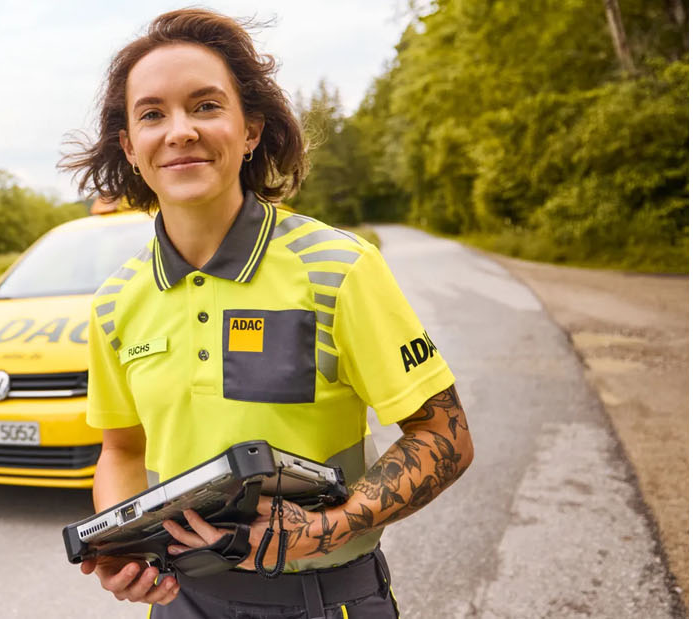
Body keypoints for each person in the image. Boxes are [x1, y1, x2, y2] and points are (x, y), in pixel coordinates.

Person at [61, 9, 475, 619]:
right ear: (130, 146)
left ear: (250, 129)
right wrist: (128, 552)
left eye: (206, 106)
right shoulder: (116, 302)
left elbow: (446, 436)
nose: (179, 131)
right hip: (181, 604)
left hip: (322, 599)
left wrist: (327, 527)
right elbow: (122, 450)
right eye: (152, 114)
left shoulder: (338, 267)